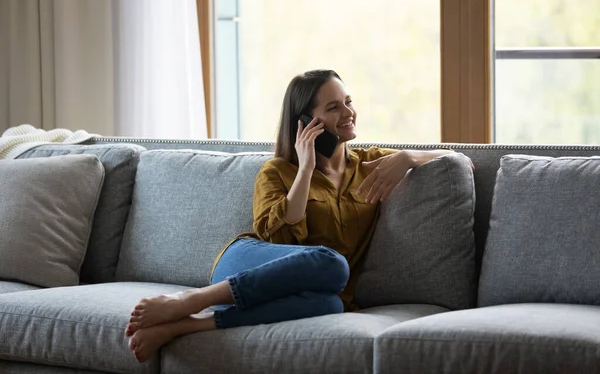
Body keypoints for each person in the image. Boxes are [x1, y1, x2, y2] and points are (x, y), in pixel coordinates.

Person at [125, 69, 456, 362]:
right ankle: (192, 299)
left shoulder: (371, 165)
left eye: (348, 101)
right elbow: (275, 237)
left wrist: (410, 156)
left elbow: (461, 162)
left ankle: (184, 325)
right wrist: (307, 168)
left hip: (305, 287)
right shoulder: (277, 171)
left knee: (332, 305)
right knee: (333, 263)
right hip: (246, 264)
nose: (348, 112)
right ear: (306, 124)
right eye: (333, 107)